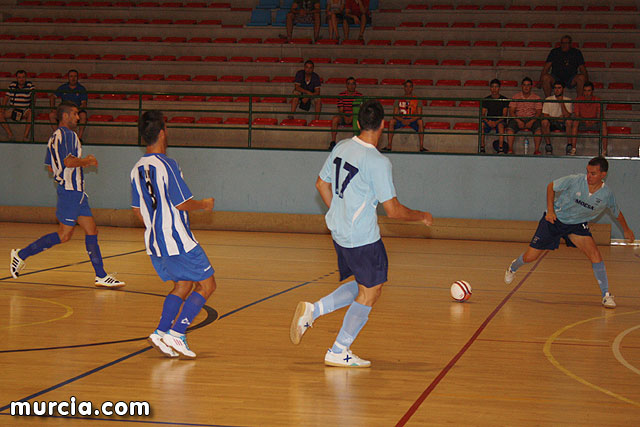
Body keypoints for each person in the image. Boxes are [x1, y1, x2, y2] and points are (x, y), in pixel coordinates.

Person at [290, 99, 433, 367]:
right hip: (362, 238)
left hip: (340, 233)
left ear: (358, 123)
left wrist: (339, 212)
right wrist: (422, 216)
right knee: (371, 291)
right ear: (383, 125)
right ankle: (338, 349)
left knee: (364, 285)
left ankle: (314, 310)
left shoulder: (342, 146)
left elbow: (321, 184)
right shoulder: (378, 162)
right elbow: (393, 211)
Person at [9, 101, 125, 289]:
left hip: (76, 192)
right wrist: (87, 161)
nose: (78, 117)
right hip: (71, 192)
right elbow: (69, 162)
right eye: (75, 114)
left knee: (92, 230)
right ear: (65, 116)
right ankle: (21, 255)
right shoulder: (69, 135)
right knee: (64, 235)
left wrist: (65, 173)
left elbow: (50, 166)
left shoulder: (53, 137)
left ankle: (101, 275)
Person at [131, 110, 217, 359]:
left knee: (183, 284)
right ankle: (177, 333)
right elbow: (182, 203)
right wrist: (204, 204)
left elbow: (137, 210)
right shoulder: (167, 164)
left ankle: (160, 332)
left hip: (155, 241)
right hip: (177, 238)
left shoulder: (136, 168)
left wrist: (155, 226)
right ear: (162, 133)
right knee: (207, 284)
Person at [504, 156, 634, 309]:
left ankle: (606, 295)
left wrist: (626, 230)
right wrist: (550, 211)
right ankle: (513, 267)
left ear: (603, 175)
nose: (588, 176)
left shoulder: (606, 195)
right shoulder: (575, 180)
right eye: (587, 172)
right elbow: (551, 186)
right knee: (530, 257)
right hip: (554, 220)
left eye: (593, 173)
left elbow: (617, 213)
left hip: (576, 225)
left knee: (595, 254)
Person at [505, 77, 543, 154]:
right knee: (510, 129)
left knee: (538, 130)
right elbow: (511, 111)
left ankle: (536, 150)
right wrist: (518, 120)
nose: (526, 87)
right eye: (524, 85)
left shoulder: (536, 98)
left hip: (532, 118)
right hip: (518, 118)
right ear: (521, 86)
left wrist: (531, 121)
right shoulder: (515, 97)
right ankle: (510, 149)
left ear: (531, 86)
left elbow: (538, 113)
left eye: (528, 85)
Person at [385, 80, 425, 152]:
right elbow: (395, 114)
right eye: (406, 86)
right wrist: (402, 120)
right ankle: (389, 145)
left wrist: (410, 120)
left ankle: (421, 146)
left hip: (413, 120)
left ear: (412, 88)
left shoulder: (417, 99)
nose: (408, 88)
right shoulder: (399, 99)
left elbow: (419, 115)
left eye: (410, 87)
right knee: (391, 121)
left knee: (420, 122)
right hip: (401, 119)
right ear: (404, 87)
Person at [571, 81, 608, 156]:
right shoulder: (578, 100)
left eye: (589, 91)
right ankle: (573, 148)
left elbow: (600, 116)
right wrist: (585, 121)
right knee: (575, 122)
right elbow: (577, 115)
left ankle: (604, 150)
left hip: (594, 122)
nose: (587, 93)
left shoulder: (598, 100)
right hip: (582, 122)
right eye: (585, 91)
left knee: (603, 123)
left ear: (592, 91)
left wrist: (592, 121)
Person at [50, 69, 88, 140]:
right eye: (71, 76)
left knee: (83, 115)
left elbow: (84, 103)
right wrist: (53, 108)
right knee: (52, 115)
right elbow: (52, 97)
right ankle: (59, 135)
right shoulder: (63, 87)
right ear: (68, 78)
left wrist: (76, 111)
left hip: (76, 111)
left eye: (75, 76)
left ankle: (79, 138)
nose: (73, 78)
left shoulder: (81, 89)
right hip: (64, 111)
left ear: (77, 78)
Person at [541, 80, 574, 155]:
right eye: (555, 88)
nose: (557, 90)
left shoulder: (568, 100)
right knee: (544, 122)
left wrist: (561, 103)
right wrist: (557, 118)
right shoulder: (548, 99)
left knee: (569, 122)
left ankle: (569, 145)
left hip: (563, 123)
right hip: (552, 122)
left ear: (563, 89)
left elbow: (567, 115)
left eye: (559, 88)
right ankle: (548, 145)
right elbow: (545, 115)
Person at [0, 69, 34, 141]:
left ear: (26, 78)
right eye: (19, 77)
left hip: (25, 109)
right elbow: (6, 97)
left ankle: (25, 136)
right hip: (13, 109)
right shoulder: (12, 85)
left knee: (31, 113)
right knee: (0, 114)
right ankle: (10, 134)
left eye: (23, 77)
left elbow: (33, 96)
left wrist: (32, 106)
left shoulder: (30, 85)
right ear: (16, 78)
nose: (21, 79)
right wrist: (2, 109)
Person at [329, 76, 362, 149]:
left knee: (359, 120)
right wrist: (345, 117)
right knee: (335, 119)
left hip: (355, 116)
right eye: (349, 84)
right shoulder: (341, 95)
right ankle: (333, 141)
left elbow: (359, 110)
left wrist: (352, 117)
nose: (351, 86)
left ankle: (357, 141)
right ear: (346, 85)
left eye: (353, 84)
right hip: (344, 116)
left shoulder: (359, 96)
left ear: (355, 85)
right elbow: (340, 110)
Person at [480, 79, 509, 154]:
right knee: (481, 125)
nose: (494, 89)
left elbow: (504, 115)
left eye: (496, 87)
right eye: (492, 87)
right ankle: (482, 147)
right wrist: (488, 121)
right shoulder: (486, 99)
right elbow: (482, 114)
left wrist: (496, 122)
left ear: (499, 88)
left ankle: (500, 148)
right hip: (489, 120)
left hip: (500, 120)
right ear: (490, 88)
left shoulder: (504, 100)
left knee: (501, 126)